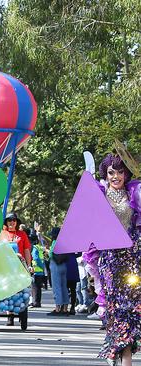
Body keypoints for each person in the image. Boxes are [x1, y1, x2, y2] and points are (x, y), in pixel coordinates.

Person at [95, 153, 141, 366]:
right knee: (117, 308)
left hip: (133, 259)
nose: (116, 176)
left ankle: (124, 351)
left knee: (133, 308)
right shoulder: (98, 195)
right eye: (111, 172)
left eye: (120, 171)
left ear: (126, 173)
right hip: (110, 261)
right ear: (105, 173)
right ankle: (122, 353)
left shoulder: (136, 193)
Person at [2, 213, 33, 325]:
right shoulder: (1, 234)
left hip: (19, 267)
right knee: (6, 289)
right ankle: (9, 314)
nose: (12, 222)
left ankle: (18, 310)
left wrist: (29, 265)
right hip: (4, 267)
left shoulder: (22, 234)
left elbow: (26, 251)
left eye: (14, 220)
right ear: (6, 222)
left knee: (18, 290)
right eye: (9, 220)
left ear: (16, 222)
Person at [47, 227, 70, 316]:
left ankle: (58, 308)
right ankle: (65, 308)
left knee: (56, 287)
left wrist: (47, 252)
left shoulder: (54, 242)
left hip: (55, 265)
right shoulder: (64, 242)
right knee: (64, 286)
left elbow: (51, 254)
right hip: (64, 265)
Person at [30, 233, 46, 308]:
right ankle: (38, 302)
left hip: (36, 270)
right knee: (38, 288)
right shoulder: (39, 247)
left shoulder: (34, 248)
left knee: (35, 287)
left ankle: (36, 302)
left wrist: (41, 266)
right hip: (40, 271)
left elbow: (36, 258)